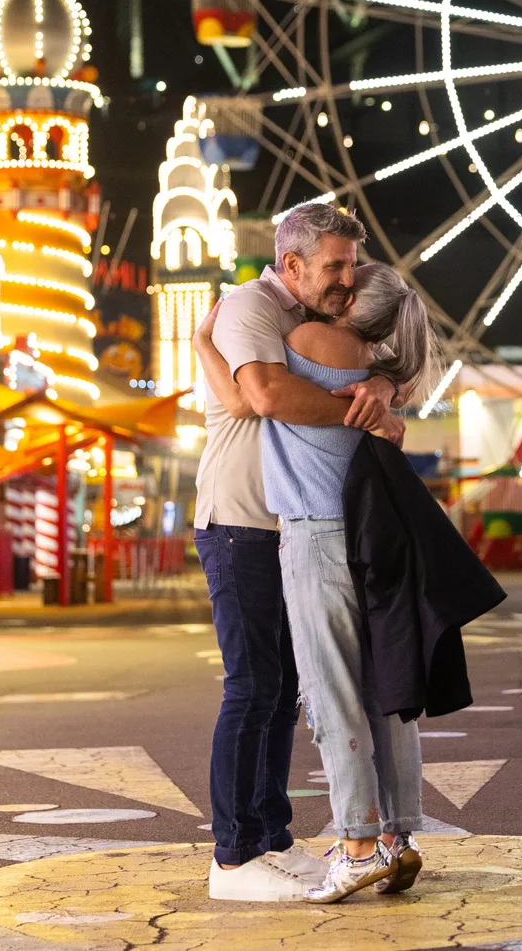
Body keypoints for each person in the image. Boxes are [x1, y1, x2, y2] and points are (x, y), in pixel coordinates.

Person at [192, 203, 405, 902]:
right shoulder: (250, 306)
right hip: (242, 519)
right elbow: (262, 393)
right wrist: (361, 405)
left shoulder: (314, 320)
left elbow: (384, 358)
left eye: (352, 264)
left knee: (285, 692)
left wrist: (381, 384)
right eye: (336, 265)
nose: (350, 278)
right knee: (252, 687)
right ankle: (233, 853)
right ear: (292, 266)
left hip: (291, 523)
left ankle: (271, 835)